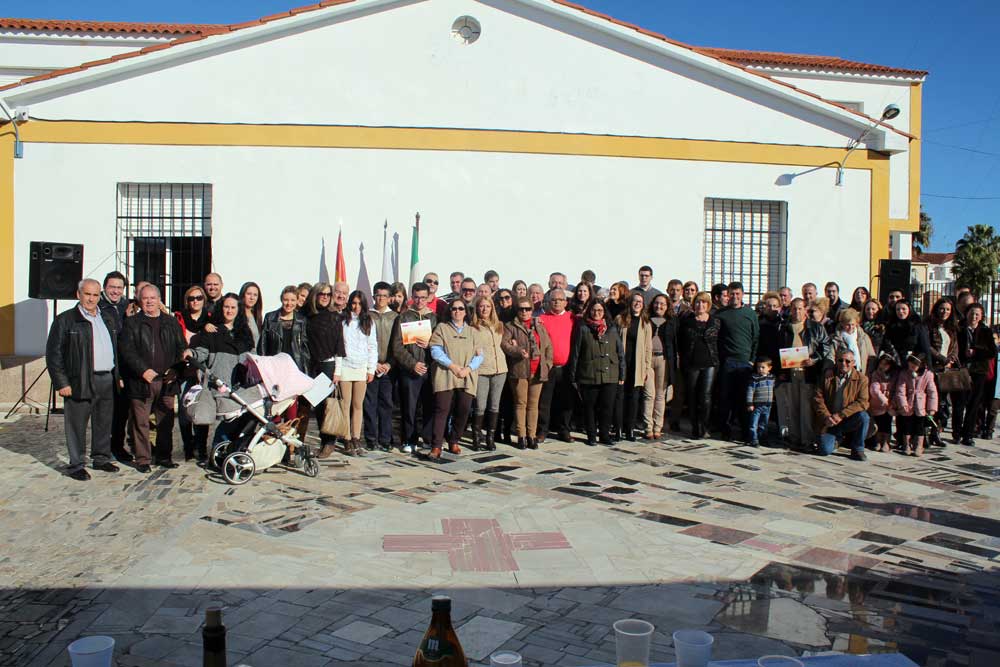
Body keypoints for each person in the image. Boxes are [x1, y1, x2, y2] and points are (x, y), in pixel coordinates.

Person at [46, 279, 120, 480]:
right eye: (87, 294)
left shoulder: (106, 318)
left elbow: (115, 348)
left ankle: (101, 458)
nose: (91, 299)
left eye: (95, 295)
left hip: (106, 378)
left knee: (104, 421)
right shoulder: (66, 320)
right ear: (78, 294)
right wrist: (62, 383)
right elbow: (54, 354)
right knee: (77, 424)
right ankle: (76, 464)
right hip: (80, 379)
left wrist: (118, 376)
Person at [119, 284, 191, 472]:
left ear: (159, 300)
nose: (149, 301)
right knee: (141, 422)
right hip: (141, 381)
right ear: (140, 301)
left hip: (167, 381)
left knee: (165, 422)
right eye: (145, 298)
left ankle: (164, 457)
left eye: (153, 298)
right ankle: (143, 459)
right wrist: (143, 370)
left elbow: (181, 347)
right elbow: (127, 351)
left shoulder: (171, 322)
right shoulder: (131, 323)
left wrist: (176, 370)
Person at [190, 293, 255, 448]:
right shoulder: (212, 330)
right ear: (221, 308)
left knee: (247, 418)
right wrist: (191, 354)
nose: (229, 311)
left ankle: (234, 449)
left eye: (233, 307)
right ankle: (217, 449)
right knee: (228, 419)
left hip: (241, 385)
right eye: (226, 307)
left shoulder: (244, 332)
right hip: (220, 384)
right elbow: (202, 352)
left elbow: (252, 356)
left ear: (238, 310)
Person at [428, 298, 483, 459]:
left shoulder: (473, 332)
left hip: (466, 375)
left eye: (460, 309)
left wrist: (468, 369)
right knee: (442, 410)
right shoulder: (442, 328)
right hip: (446, 373)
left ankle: (454, 440)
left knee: (464, 409)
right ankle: (436, 445)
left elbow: (480, 355)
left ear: (465, 312)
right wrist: (452, 366)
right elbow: (436, 351)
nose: (457, 311)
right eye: (454, 309)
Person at [774, 298, 831, 450]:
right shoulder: (783, 327)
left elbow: (826, 345)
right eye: (794, 309)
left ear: (805, 310)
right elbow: (776, 349)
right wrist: (780, 371)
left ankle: (807, 439)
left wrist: (815, 359)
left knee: (806, 408)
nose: (797, 312)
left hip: (808, 372)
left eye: (800, 308)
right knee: (792, 406)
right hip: (790, 371)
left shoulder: (816, 327)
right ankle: (794, 438)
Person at [568, 300, 624, 445]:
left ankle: (605, 435)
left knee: (607, 407)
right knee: (589, 407)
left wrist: (622, 373)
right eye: (594, 310)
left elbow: (620, 352)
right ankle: (591, 436)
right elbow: (576, 352)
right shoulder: (583, 328)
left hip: (610, 374)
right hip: (589, 374)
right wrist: (573, 375)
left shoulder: (612, 329)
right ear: (589, 311)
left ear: (604, 312)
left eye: (600, 310)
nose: (596, 313)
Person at [259, 285, 311, 440]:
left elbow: (304, 348)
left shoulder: (301, 320)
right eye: (286, 300)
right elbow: (263, 345)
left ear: (297, 301)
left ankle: (289, 444)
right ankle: (272, 441)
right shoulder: (270, 318)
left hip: (293, 369)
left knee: (291, 408)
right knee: (275, 406)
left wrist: (305, 372)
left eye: (292, 300)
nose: (289, 303)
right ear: (281, 299)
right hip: (275, 369)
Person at [502, 297, 554, 449]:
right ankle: (521, 435)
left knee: (533, 405)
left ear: (532, 310)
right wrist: (517, 350)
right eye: (521, 309)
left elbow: (548, 346)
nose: (524, 312)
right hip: (519, 370)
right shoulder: (510, 326)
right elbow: (504, 344)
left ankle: (532, 435)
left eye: (527, 309)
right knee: (521, 403)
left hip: (537, 370)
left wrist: (548, 364)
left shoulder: (539, 325)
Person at [391, 282, 437, 453]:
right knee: (409, 407)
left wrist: (430, 344)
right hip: (410, 370)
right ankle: (409, 439)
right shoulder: (403, 317)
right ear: (412, 297)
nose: (420, 301)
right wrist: (412, 364)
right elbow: (397, 346)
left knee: (428, 406)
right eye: (416, 297)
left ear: (428, 298)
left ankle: (427, 438)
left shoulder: (434, 318)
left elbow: (441, 342)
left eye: (423, 298)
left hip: (429, 369)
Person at [305, 282, 345, 458]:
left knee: (325, 405)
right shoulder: (307, 316)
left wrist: (337, 371)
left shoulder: (334, 317)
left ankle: (329, 441)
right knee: (316, 405)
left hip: (328, 364)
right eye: (322, 294)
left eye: (328, 294)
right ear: (315, 295)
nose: (325, 297)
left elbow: (339, 345)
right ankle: (323, 441)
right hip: (310, 365)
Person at [335, 291, 377, 456]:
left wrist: (371, 369)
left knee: (358, 405)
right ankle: (346, 438)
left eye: (359, 303)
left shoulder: (368, 322)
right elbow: (339, 347)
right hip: (346, 366)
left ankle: (356, 437)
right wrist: (338, 371)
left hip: (361, 367)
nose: (356, 306)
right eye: (353, 303)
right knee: (345, 404)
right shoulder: (343, 321)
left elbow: (372, 346)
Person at [715, 281, 759, 441]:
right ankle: (725, 430)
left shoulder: (750, 314)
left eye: (737, 293)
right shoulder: (720, 314)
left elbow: (756, 338)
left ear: (742, 294)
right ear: (727, 295)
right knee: (725, 398)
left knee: (744, 399)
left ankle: (746, 432)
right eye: (731, 294)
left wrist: (752, 360)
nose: (734, 296)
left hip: (745, 362)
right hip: (727, 362)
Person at [813, 349, 870, 461]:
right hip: (830, 421)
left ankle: (858, 448)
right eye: (840, 360)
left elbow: (863, 402)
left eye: (847, 361)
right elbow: (817, 398)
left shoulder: (861, 379)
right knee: (824, 450)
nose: (843, 364)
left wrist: (841, 415)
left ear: (853, 363)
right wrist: (826, 416)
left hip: (848, 418)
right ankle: (838, 439)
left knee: (864, 417)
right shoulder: (827, 376)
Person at [677, 292, 720, 439]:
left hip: (710, 362)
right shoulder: (686, 321)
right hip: (691, 363)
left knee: (706, 396)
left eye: (703, 302)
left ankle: (704, 426)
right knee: (692, 395)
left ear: (708, 305)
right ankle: (695, 426)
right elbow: (680, 341)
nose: (700, 305)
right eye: (697, 302)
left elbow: (719, 342)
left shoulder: (715, 322)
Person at [175, 285, 211, 461]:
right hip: (184, 371)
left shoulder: (210, 319)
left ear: (204, 300)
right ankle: (188, 447)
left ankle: (201, 447)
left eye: (199, 298)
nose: (195, 301)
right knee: (184, 411)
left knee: (201, 409)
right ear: (186, 301)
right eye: (191, 298)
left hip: (201, 372)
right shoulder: (179, 318)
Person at [99, 270, 131, 463]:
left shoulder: (126, 306)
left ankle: (118, 447)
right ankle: (102, 449)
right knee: (104, 412)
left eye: (119, 288)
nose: (116, 291)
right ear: (105, 288)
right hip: (106, 366)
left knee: (121, 411)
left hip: (124, 366)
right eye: (112, 287)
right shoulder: (98, 306)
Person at [470, 295, 508, 451]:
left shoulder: (499, 325)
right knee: (480, 405)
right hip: (482, 370)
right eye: (481, 306)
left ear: (492, 308)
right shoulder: (473, 327)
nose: (484, 309)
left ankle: (490, 438)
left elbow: (503, 344)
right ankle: (476, 437)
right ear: (477, 308)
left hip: (500, 369)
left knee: (494, 405)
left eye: (487, 306)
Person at [537, 288, 575, 443]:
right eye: (553, 300)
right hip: (548, 367)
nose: (557, 302)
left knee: (566, 401)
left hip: (566, 367)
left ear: (565, 302)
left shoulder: (572, 318)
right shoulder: (542, 319)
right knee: (544, 401)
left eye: (560, 299)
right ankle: (542, 430)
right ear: (548, 302)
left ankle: (564, 430)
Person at [364, 282, 397, 452]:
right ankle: (371, 438)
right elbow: (363, 342)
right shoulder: (367, 316)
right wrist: (373, 364)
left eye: (384, 296)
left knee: (386, 404)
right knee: (370, 404)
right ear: (373, 296)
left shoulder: (395, 317)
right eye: (378, 295)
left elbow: (398, 344)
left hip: (389, 367)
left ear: (390, 298)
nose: (381, 299)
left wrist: (390, 363)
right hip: (371, 366)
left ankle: (385, 438)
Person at [615, 292, 652, 442]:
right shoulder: (620, 319)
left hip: (637, 367)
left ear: (643, 305)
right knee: (620, 398)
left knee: (633, 399)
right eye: (635, 301)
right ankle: (618, 429)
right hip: (622, 365)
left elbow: (648, 348)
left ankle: (630, 429)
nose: (637, 304)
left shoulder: (646, 323)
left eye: (640, 302)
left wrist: (647, 367)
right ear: (630, 303)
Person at [954, 304, 993, 446]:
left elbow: (992, 352)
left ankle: (968, 434)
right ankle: (957, 432)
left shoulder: (986, 331)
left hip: (978, 371)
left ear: (981, 316)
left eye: (977, 314)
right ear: (966, 314)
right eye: (972, 313)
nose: (974, 316)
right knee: (959, 403)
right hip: (961, 369)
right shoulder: (959, 329)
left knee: (974, 404)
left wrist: (976, 351)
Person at [894, 352, 938, 457]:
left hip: (921, 405)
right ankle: (906, 444)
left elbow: (932, 392)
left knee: (920, 426)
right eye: (910, 365)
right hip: (908, 404)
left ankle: (919, 445)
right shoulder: (904, 374)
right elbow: (900, 390)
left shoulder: (928, 375)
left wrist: (931, 408)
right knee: (907, 425)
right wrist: (903, 404)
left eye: (914, 366)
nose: (912, 368)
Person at [648, 294, 678, 438]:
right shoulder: (646, 320)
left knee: (660, 394)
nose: (659, 306)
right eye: (656, 303)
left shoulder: (672, 322)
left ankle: (657, 426)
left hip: (664, 360)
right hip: (648, 359)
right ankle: (648, 427)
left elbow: (675, 343)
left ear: (667, 306)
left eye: (662, 304)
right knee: (649, 394)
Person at [830, 309, 876, 375]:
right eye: (847, 325)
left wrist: (868, 373)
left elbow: (872, 357)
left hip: (861, 373)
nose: (850, 327)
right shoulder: (835, 339)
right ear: (842, 324)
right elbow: (831, 357)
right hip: (842, 374)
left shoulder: (864, 337)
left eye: (853, 324)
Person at [868, 352, 898, 453]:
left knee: (887, 423)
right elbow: (874, 389)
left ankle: (886, 442)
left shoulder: (894, 375)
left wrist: (892, 402)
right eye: (881, 363)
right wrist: (884, 400)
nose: (883, 366)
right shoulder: (876, 374)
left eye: (886, 364)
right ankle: (878, 441)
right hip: (878, 403)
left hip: (890, 404)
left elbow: (895, 389)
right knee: (878, 423)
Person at [745, 356, 775, 447]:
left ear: (769, 368)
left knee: (764, 424)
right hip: (757, 405)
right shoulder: (754, 378)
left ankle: (761, 438)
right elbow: (750, 391)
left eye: (763, 367)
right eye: (758, 367)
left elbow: (775, 386)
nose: (760, 369)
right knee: (754, 424)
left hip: (768, 405)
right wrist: (749, 403)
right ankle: (753, 439)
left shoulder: (772, 378)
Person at [238, 282, 264, 349]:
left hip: (256, 354)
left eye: (255, 295)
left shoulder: (256, 316)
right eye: (249, 294)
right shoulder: (236, 314)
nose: (252, 298)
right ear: (243, 295)